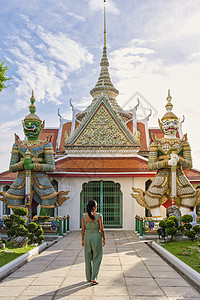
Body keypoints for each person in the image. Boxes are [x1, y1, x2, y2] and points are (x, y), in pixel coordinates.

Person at [81, 200, 105, 285]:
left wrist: (82, 240)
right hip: (96, 237)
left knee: (87, 258)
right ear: (94, 207)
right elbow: (101, 229)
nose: (97, 207)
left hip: (87, 237)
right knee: (97, 257)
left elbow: (83, 229)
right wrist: (104, 238)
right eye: (97, 206)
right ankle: (94, 277)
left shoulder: (84, 216)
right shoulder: (99, 216)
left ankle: (88, 277)